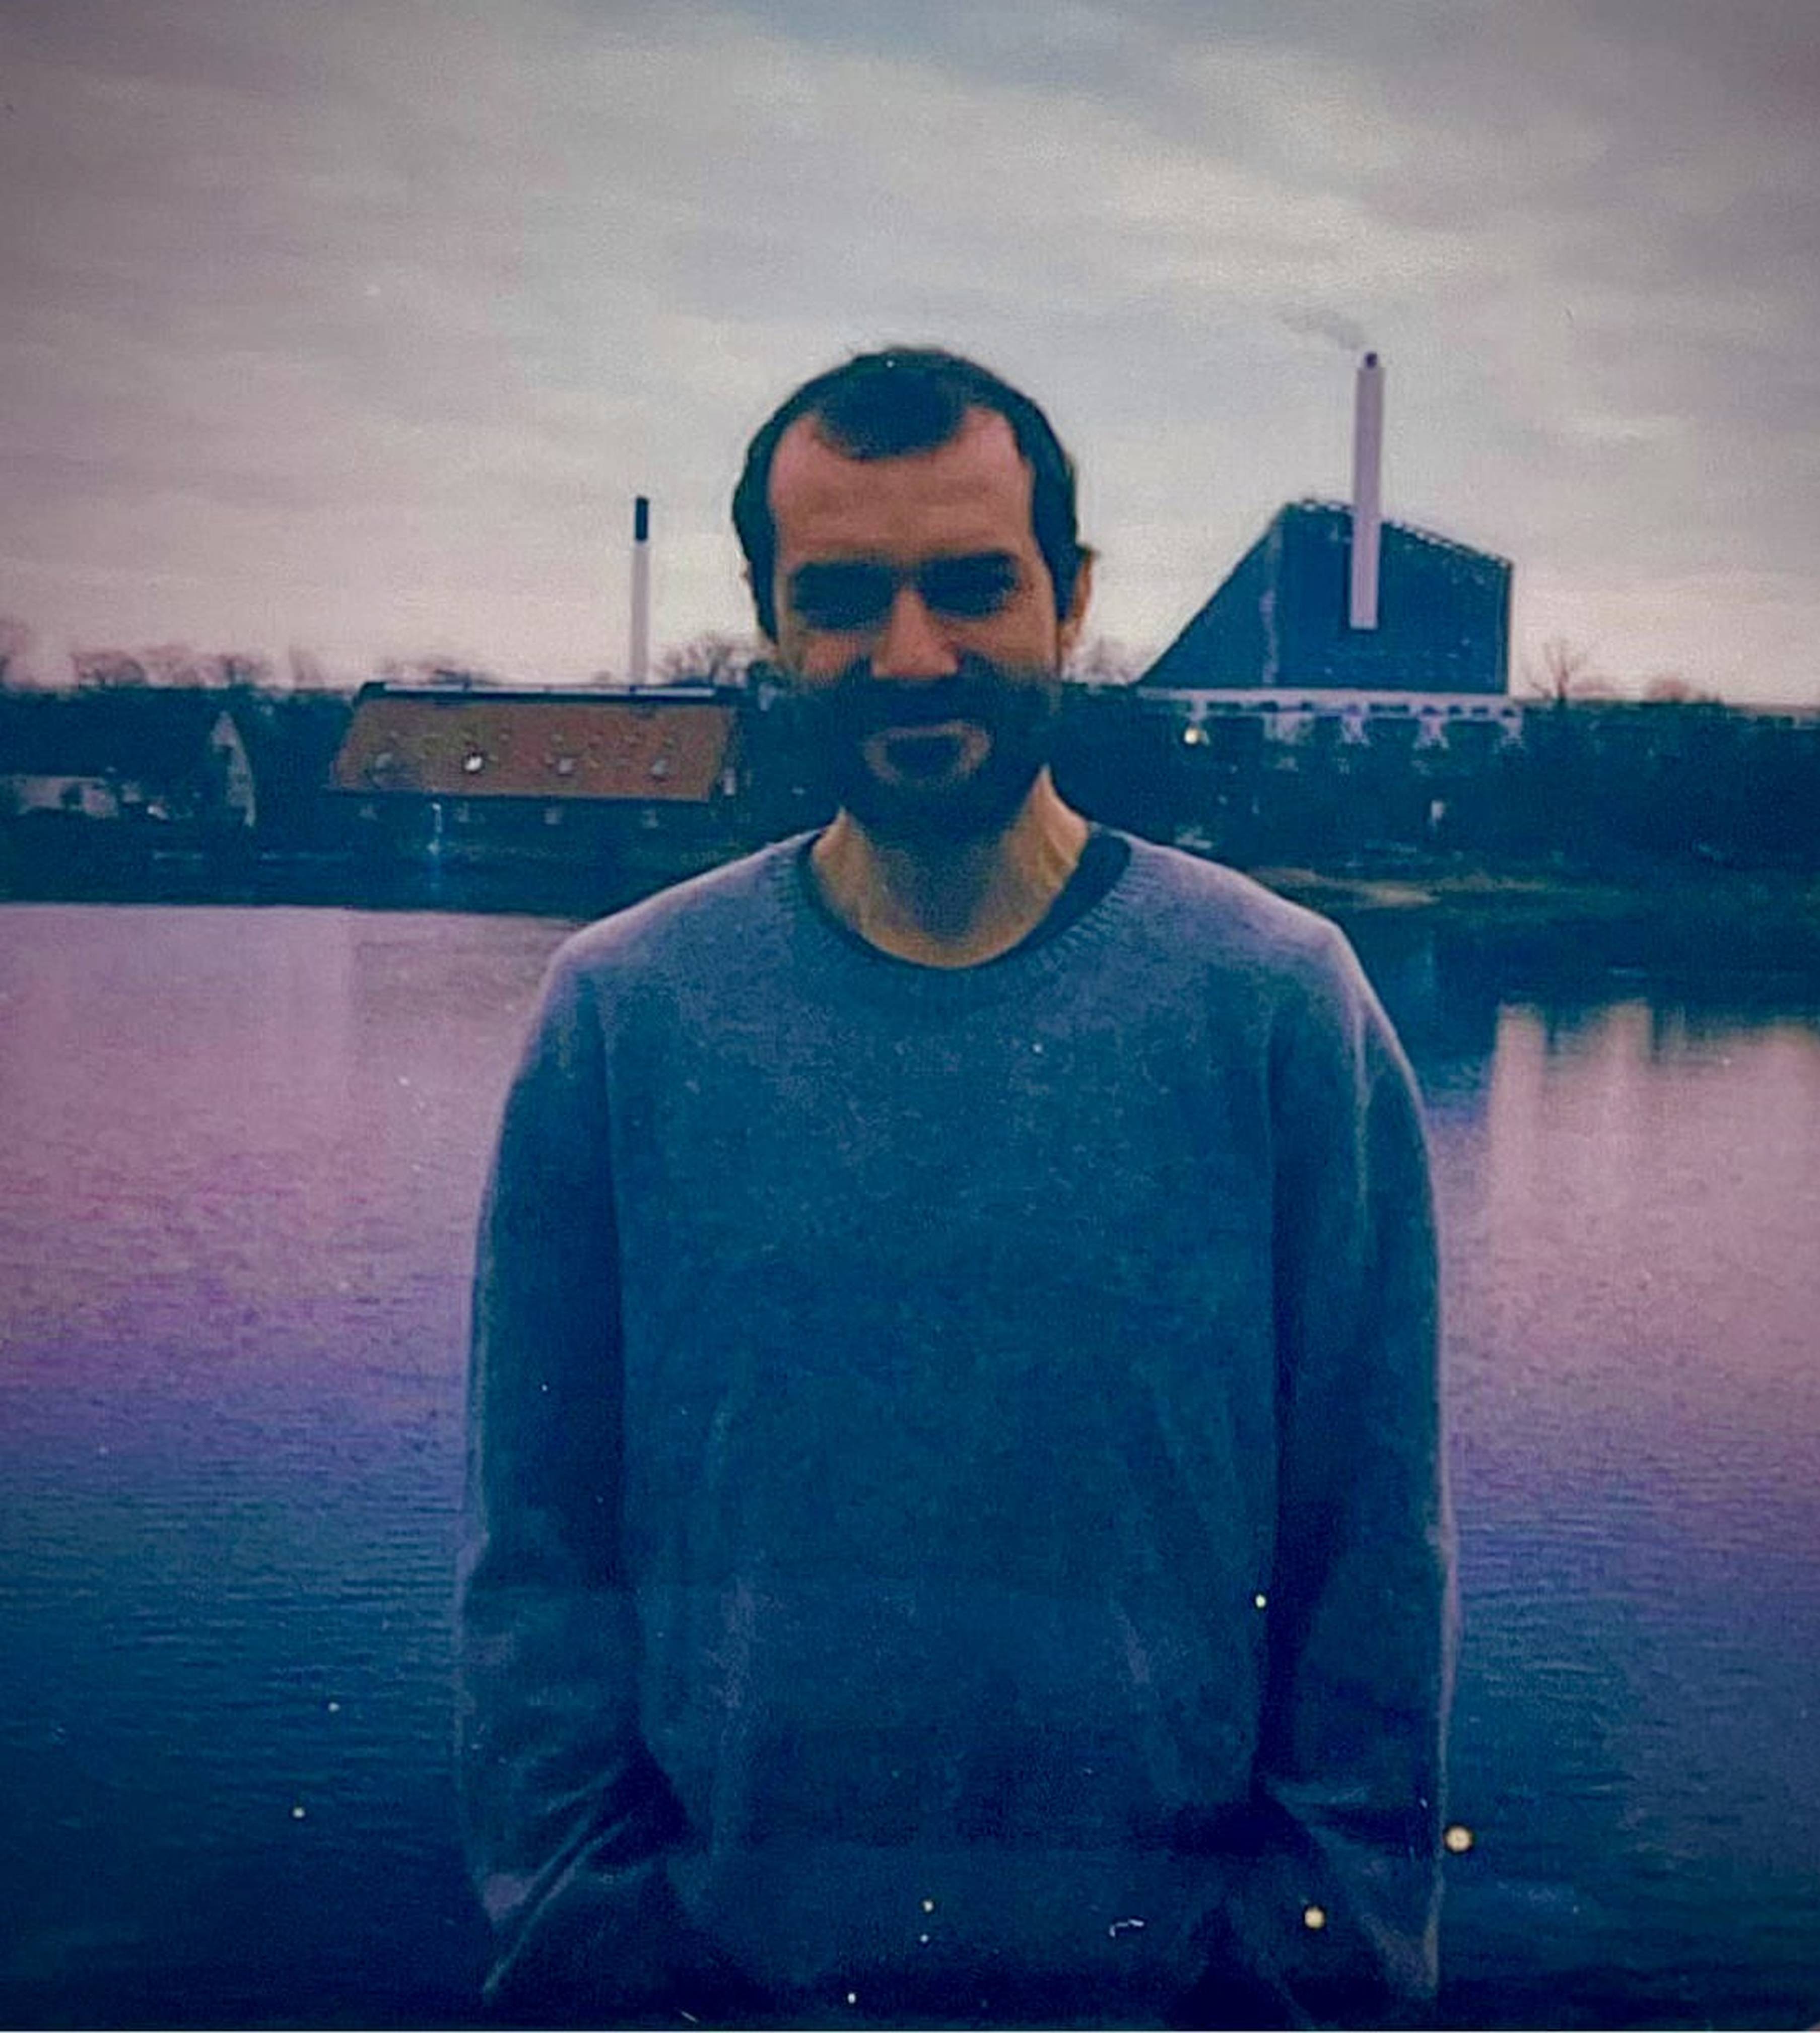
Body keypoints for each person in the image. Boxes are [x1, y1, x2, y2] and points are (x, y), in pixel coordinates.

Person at [457, 347, 1455, 2029]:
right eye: (840, 595)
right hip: (720, 2000)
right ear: (773, 624)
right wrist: (597, 1951)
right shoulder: (624, 1018)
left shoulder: (1282, 1010)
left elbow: (1376, 1564)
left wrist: (1299, 1969)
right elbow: (535, 1560)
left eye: (973, 585)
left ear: (1071, 600)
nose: (910, 654)